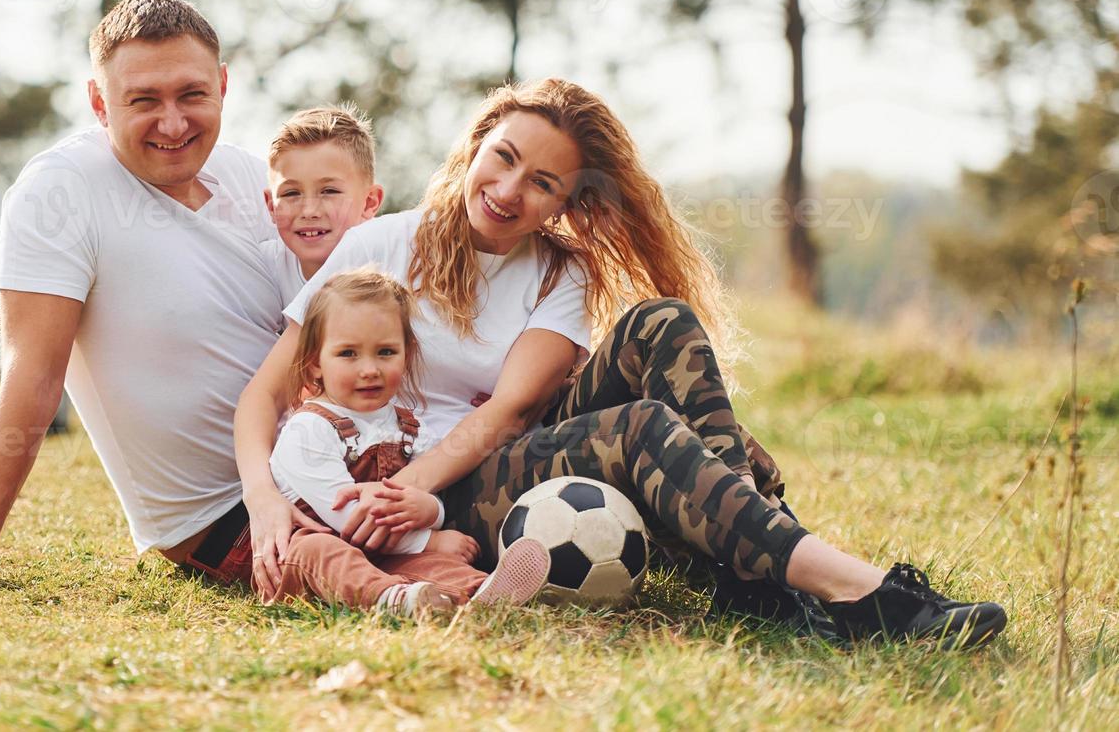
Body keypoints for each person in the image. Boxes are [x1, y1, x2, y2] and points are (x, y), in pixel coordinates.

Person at [236, 78, 1009, 650]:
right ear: (475, 148)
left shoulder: (557, 273)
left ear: (567, 204)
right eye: (502, 158)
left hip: (481, 463)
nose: (508, 190)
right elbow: (262, 397)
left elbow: (511, 411)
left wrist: (410, 490)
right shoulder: (380, 245)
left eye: (543, 183)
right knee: (640, 427)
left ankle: (764, 577)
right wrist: (269, 501)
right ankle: (857, 592)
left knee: (661, 323)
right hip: (443, 497)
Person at [0, 0, 327, 588]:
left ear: (222, 85)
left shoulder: (256, 177)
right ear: (99, 101)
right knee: (448, 545)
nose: (173, 123)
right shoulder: (60, 192)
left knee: (487, 481)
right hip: (232, 519)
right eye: (143, 101)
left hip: (343, 468)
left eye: (192, 94)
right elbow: (32, 374)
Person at [266, 267, 552, 616]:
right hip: (317, 555)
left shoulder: (407, 426)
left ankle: (478, 593)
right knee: (318, 551)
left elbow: (434, 497)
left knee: (431, 563)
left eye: (385, 352)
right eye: (348, 354)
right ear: (315, 365)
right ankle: (391, 598)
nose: (369, 369)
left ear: (408, 354)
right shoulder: (308, 430)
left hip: (389, 553)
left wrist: (430, 509)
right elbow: (351, 521)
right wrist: (431, 539)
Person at [262, 104, 385, 305]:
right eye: (291, 193)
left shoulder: (390, 265)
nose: (309, 211)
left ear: (369, 202)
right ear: (271, 207)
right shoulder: (264, 268)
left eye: (329, 191)